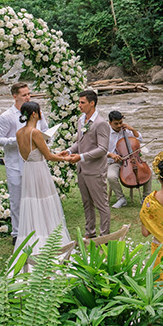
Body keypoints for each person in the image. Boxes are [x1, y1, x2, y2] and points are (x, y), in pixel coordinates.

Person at [0, 82, 48, 243]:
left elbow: (44, 129)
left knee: (35, 196)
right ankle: (17, 233)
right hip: (15, 164)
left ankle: (36, 229)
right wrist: (18, 140)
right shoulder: (6, 116)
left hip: (33, 163)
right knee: (17, 199)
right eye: (24, 95)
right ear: (14, 96)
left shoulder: (36, 113)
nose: (27, 97)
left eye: (29, 94)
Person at [15, 101, 71, 253]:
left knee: (33, 202)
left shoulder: (19, 133)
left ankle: (35, 234)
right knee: (45, 201)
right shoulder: (35, 132)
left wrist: (56, 155)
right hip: (39, 171)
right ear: (34, 113)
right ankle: (48, 239)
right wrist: (65, 159)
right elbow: (48, 157)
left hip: (28, 170)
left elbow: (32, 154)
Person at [57, 90, 111, 238]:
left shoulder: (101, 124)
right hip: (82, 170)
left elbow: (103, 149)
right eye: (79, 102)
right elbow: (80, 143)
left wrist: (81, 157)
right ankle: (90, 233)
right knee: (87, 204)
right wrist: (68, 151)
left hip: (95, 171)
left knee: (101, 204)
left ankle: (105, 236)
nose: (79, 105)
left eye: (82, 102)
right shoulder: (81, 120)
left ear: (92, 103)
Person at [106, 111, 149, 208]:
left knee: (147, 173)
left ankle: (146, 198)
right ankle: (121, 199)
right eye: (116, 124)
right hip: (113, 163)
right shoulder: (105, 133)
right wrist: (111, 154)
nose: (119, 125)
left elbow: (140, 139)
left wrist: (133, 130)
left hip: (130, 160)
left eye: (120, 122)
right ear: (110, 123)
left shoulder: (126, 131)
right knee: (111, 176)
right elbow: (100, 149)